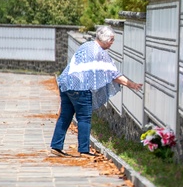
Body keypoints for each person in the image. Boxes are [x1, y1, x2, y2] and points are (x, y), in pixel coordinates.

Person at [50, 25, 141, 157]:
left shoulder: (86, 46)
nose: (112, 42)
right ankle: (84, 150)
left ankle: (56, 146)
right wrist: (131, 84)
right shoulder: (99, 52)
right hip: (80, 87)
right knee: (84, 118)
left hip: (66, 84)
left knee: (65, 116)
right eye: (111, 39)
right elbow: (113, 74)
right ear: (105, 39)